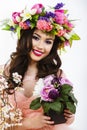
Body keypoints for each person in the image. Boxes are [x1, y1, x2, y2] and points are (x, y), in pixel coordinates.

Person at [0, 2, 80, 130]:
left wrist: (69, 116)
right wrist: (28, 124)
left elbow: (63, 117)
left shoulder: (57, 75)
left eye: (48, 41)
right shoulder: (4, 72)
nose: (41, 46)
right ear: (26, 37)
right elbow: (1, 122)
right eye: (36, 37)